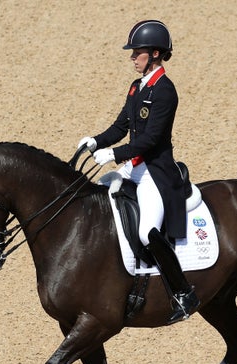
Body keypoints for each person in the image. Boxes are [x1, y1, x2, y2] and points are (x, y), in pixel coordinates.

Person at [77, 19, 200, 325]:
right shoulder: (137, 87)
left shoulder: (165, 91)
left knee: (147, 232)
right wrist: (95, 141)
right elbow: (122, 127)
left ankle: (183, 293)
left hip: (155, 175)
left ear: (155, 53)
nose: (132, 57)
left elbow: (151, 139)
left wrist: (114, 154)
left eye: (137, 52)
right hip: (133, 168)